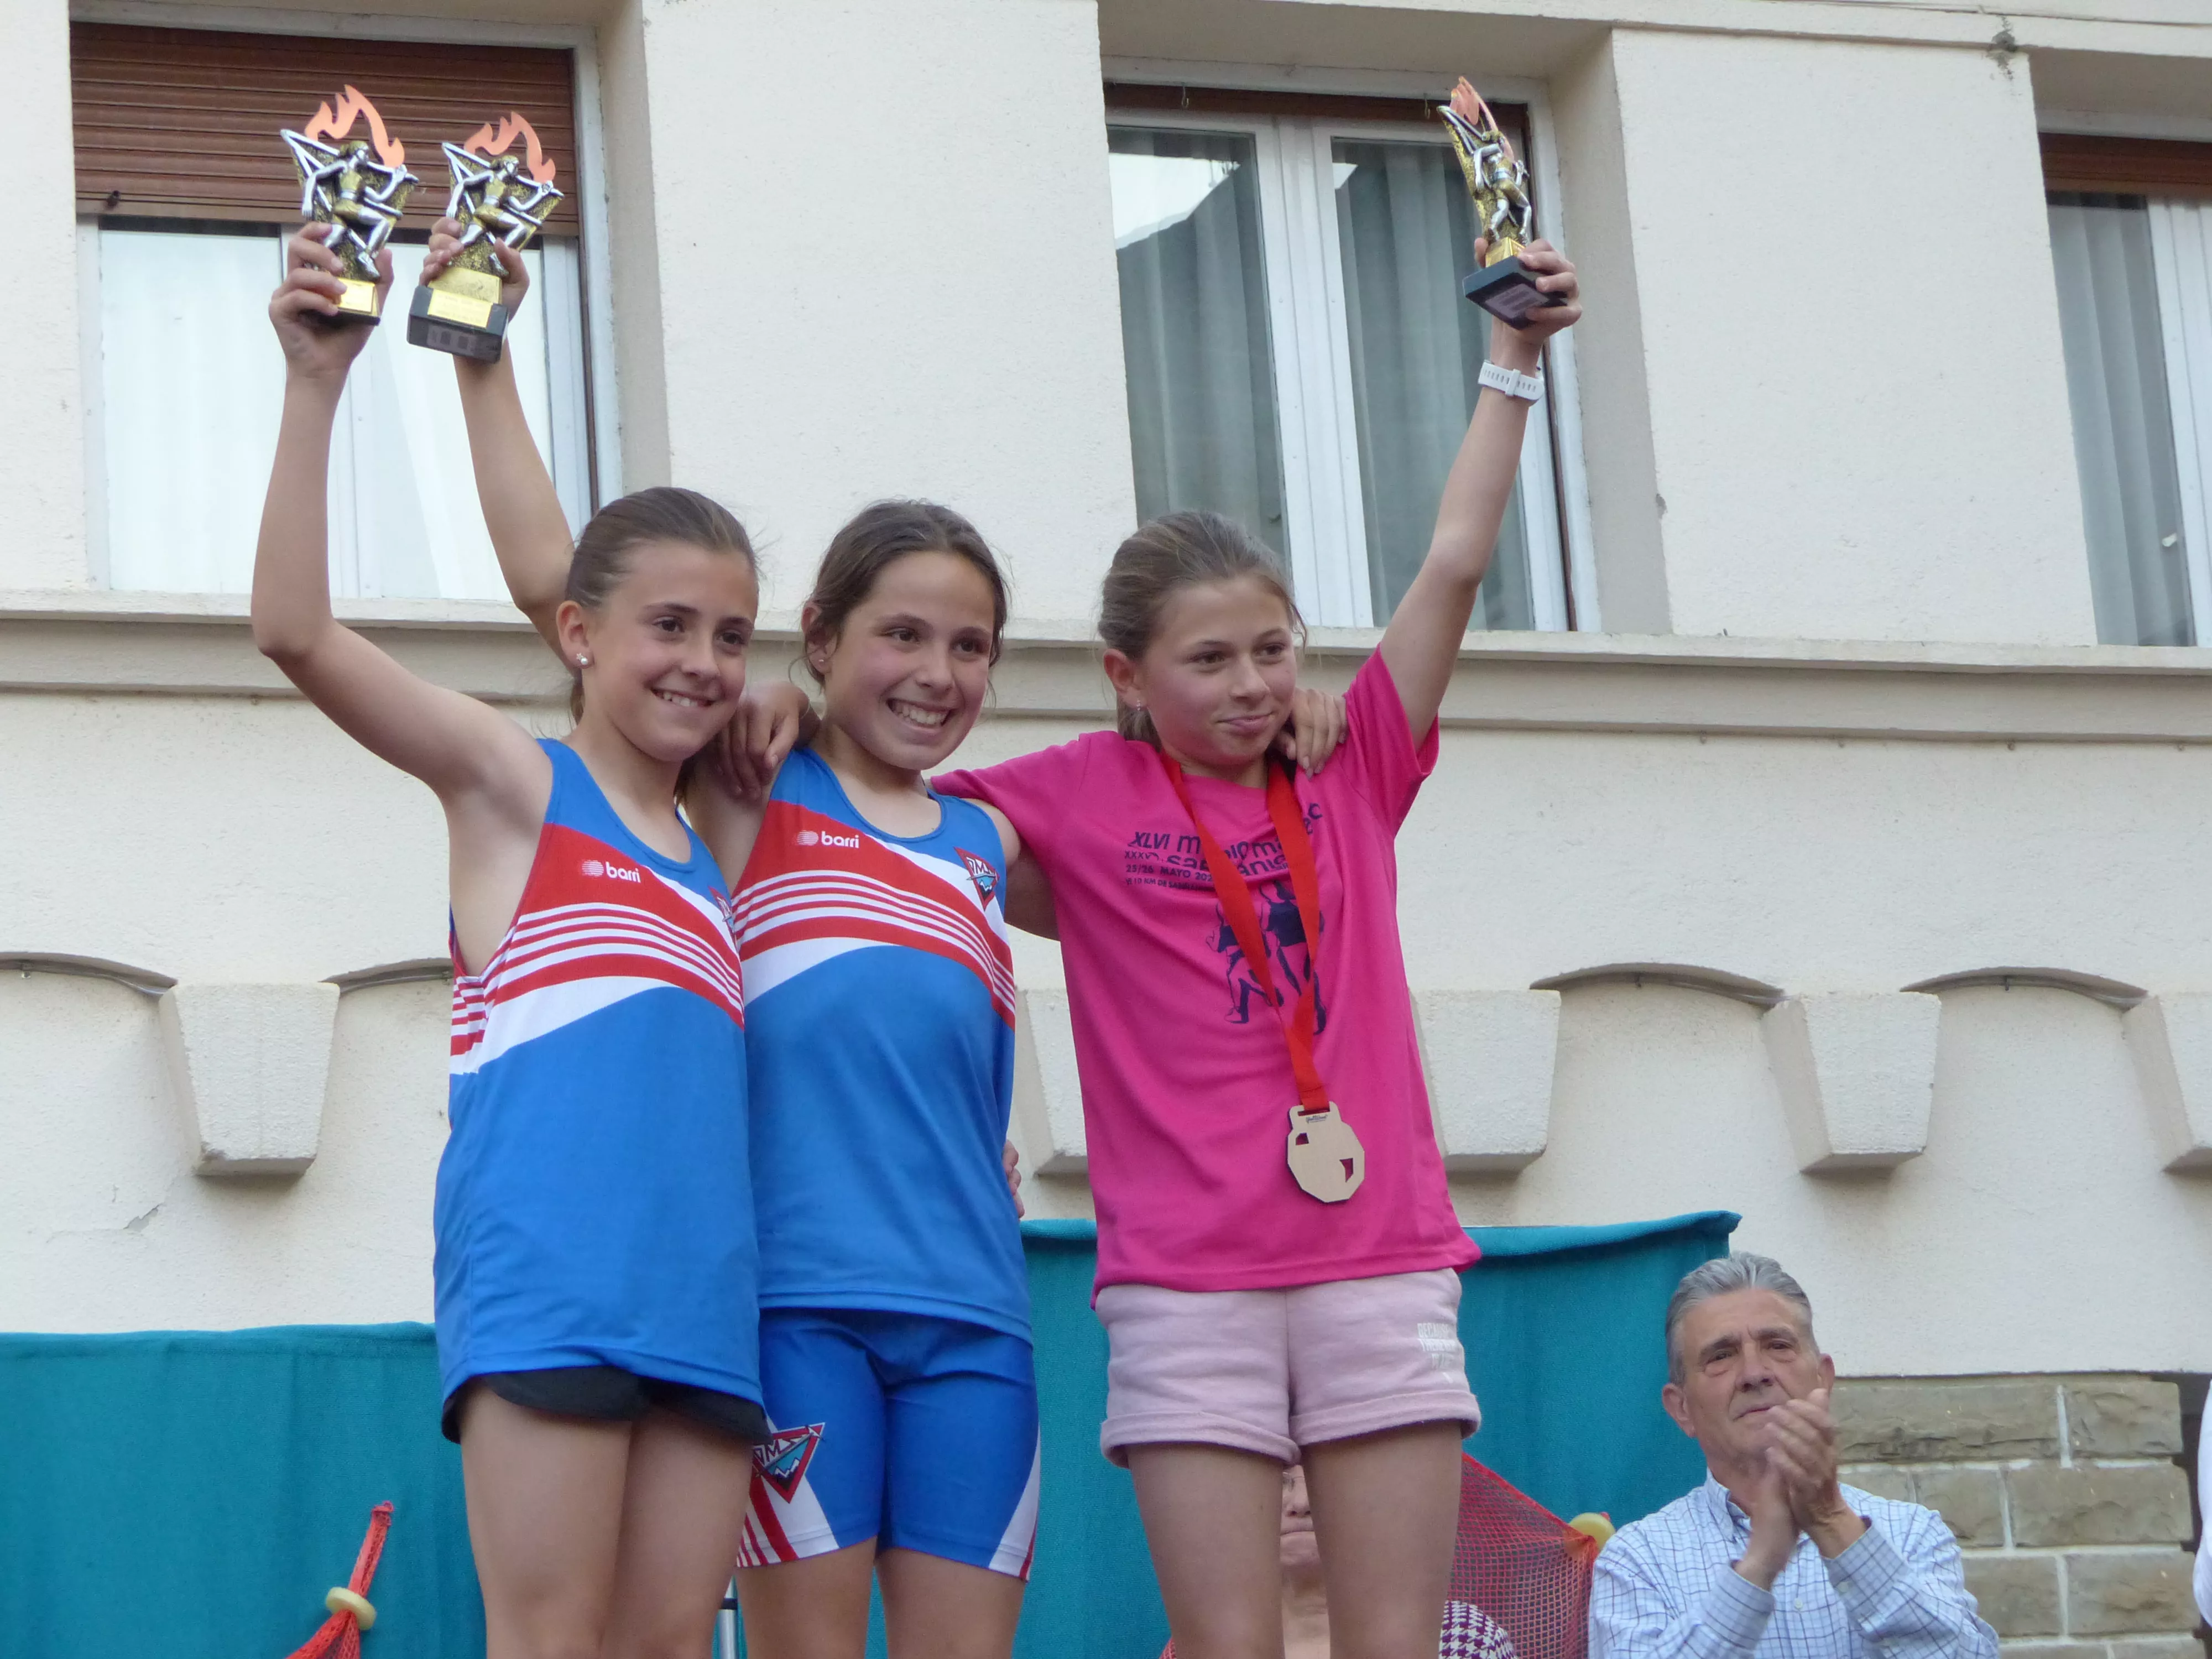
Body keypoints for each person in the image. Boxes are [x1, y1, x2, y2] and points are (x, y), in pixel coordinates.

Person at [430, 224, 1347, 1659]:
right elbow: (573, 589)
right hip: (798, 1314)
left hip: (977, 1322)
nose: (936, 674)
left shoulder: (991, 837)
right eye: (901, 637)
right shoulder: (739, 779)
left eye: (970, 646)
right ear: (821, 639)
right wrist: (485, 360)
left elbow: (1188, 844)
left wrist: (1285, 720)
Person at [927, 237, 1583, 1659]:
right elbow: (887, 816)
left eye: (1272, 650)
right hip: (1186, 1279)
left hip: (1376, 1256)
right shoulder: (1060, 800)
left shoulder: (1353, 767)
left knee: (1387, 1644)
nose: (1250, 687)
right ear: (1124, 675)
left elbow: (1456, 561)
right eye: (1207, 661)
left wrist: (1513, 361)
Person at [257, 227, 766, 1658]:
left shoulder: (724, 837)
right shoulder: (512, 788)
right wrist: (319, 385)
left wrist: (483, 354)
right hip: (551, 1293)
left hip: (709, 1309)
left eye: (733, 636)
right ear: (577, 635)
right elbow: (293, 629)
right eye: (670, 624)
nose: (705, 663)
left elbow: (580, 578)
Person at [1589, 1255, 2000, 1659]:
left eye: (1778, 1346)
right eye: (1721, 1356)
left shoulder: (1912, 1534)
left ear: (1824, 1378)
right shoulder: (1636, 1560)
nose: (1755, 1373)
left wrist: (1831, 1520)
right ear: (1681, 1409)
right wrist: (1759, 1565)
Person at [1164, 1464, 1518, 1659]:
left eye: (1321, 1483)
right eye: (1281, 1483)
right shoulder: (1210, 1646)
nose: (1301, 1503)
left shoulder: (1466, 1636)